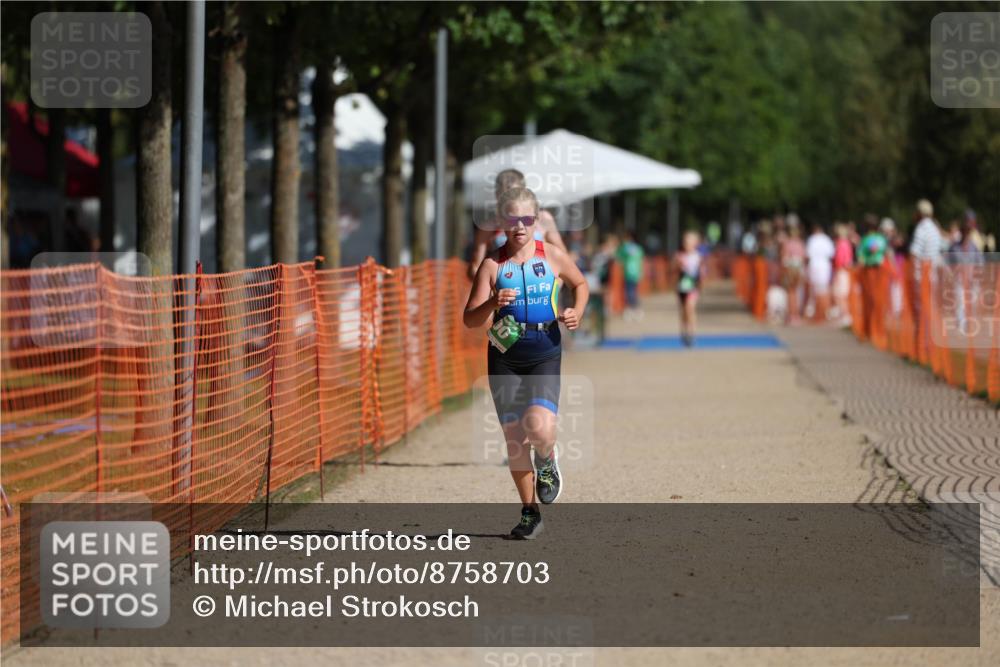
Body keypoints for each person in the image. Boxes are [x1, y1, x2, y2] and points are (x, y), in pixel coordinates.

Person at [463, 187, 589, 540]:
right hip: (504, 355)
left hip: (544, 349)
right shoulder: (492, 265)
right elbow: (470, 320)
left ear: (536, 220)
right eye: (512, 219)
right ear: (502, 223)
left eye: (526, 219)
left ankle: (547, 460)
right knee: (515, 439)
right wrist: (491, 304)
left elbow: (580, 284)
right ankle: (529, 512)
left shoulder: (552, 256)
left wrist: (575, 312)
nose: (519, 226)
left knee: (539, 428)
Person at [467, 169, 566, 280]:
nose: (509, 200)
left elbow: (564, 261)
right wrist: (493, 284)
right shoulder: (488, 227)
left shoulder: (543, 218)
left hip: (543, 289)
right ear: (496, 195)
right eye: (504, 195)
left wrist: (555, 289)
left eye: (514, 193)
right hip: (506, 292)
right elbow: (474, 268)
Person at [856, 214, 888, 341]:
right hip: (877, 271)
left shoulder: (866, 239)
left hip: (871, 272)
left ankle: (871, 330)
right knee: (877, 302)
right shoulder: (881, 238)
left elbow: (861, 256)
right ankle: (876, 330)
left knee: (870, 302)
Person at [675, 230, 702, 346]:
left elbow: (701, 273)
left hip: (693, 287)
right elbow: (674, 271)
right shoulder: (679, 255)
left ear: (695, 243)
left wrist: (699, 284)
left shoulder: (698, 256)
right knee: (683, 311)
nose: (687, 244)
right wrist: (678, 265)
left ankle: (692, 333)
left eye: (690, 241)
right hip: (681, 287)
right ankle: (684, 332)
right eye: (685, 241)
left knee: (690, 308)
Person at [805, 221, 835, 322]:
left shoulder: (812, 239)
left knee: (815, 289)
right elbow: (831, 254)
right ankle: (824, 312)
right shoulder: (826, 240)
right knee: (824, 289)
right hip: (824, 266)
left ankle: (818, 312)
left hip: (815, 265)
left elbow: (808, 254)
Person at [616, 230, 645, 321]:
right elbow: (641, 260)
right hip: (636, 273)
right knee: (633, 292)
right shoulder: (639, 248)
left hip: (628, 273)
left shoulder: (625, 248)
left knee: (629, 293)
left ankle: (632, 310)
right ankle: (636, 310)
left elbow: (618, 256)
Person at [779, 224, 806, 324]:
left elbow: (784, 258)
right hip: (799, 269)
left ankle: (792, 315)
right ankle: (796, 315)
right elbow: (803, 258)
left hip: (790, 269)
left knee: (790, 293)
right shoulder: (800, 243)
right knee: (796, 293)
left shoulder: (788, 243)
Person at [831, 222, 854, 325]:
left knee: (840, 295)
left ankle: (845, 315)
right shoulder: (845, 243)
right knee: (841, 294)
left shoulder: (842, 244)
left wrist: (837, 271)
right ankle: (844, 315)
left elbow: (841, 261)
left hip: (841, 271)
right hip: (843, 271)